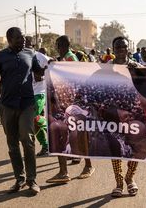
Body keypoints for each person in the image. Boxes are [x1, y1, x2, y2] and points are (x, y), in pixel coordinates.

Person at [0, 27, 45, 195]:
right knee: (12, 144)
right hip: (7, 105)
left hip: (27, 104)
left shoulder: (30, 53)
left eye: (23, 37)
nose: (22, 40)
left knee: (27, 139)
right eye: (18, 38)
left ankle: (32, 180)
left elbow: (39, 73)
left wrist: (50, 68)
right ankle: (20, 179)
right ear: (9, 39)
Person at [46, 35, 95, 184]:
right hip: (62, 103)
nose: (58, 47)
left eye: (60, 45)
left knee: (80, 135)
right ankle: (63, 172)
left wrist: (55, 66)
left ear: (65, 45)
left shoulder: (70, 58)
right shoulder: (61, 59)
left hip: (73, 103)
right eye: (57, 45)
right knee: (59, 133)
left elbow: (73, 76)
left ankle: (88, 166)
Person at [108, 36, 141, 197]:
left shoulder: (136, 66)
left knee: (136, 149)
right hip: (113, 116)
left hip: (134, 115)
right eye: (118, 47)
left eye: (124, 47)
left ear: (128, 49)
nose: (121, 50)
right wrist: (54, 67)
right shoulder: (105, 68)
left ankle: (130, 178)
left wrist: (138, 72)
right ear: (113, 50)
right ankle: (119, 183)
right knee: (116, 149)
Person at [24, 36, 50, 157]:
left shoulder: (40, 56)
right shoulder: (20, 57)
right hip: (27, 94)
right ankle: (45, 145)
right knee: (36, 121)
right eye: (24, 44)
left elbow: (52, 64)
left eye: (28, 44)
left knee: (34, 119)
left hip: (39, 93)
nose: (26, 46)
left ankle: (52, 127)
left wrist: (43, 76)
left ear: (33, 45)